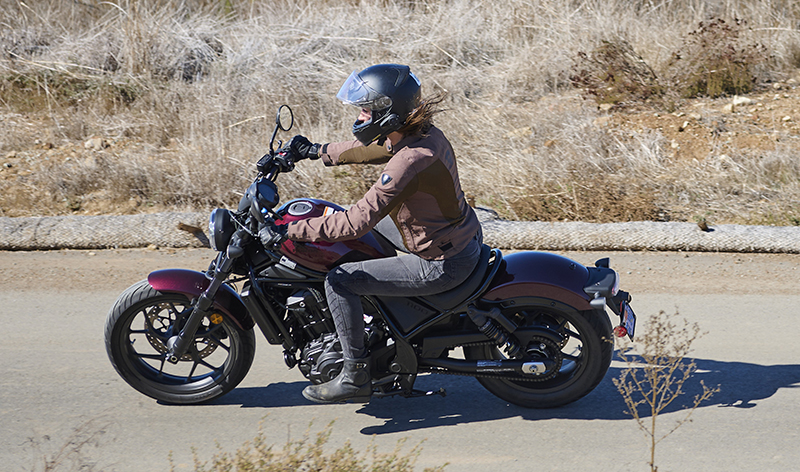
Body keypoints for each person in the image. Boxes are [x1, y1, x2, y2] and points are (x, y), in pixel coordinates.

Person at [259, 63, 482, 404]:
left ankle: (354, 375)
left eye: (365, 110)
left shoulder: (409, 161)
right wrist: (316, 150)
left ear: (388, 115)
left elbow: (355, 222)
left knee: (340, 279)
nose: (360, 117)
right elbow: (372, 149)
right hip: (448, 234)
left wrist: (290, 230)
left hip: (441, 261)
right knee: (354, 235)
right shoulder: (419, 135)